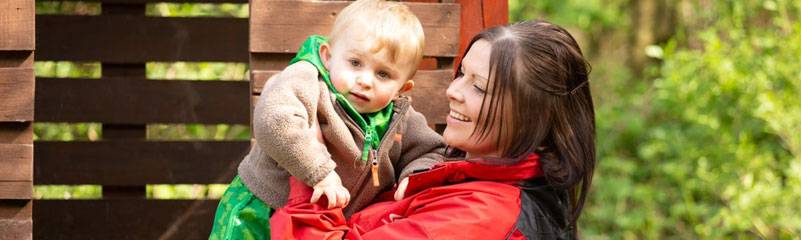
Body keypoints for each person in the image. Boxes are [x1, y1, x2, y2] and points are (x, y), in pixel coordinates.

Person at [270, 19, 596, 239]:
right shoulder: (470, 175)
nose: (453, 92)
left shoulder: (481, 219)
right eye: (461, 74)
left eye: (479, 88)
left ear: (533, 116)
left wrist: (308, 172)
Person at [209, 0, 445, 238]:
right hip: (263, 209)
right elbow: (275, 120)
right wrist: (320, 172)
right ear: (328, 56)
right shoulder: (307, 80)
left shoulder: (400, 118)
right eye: (355, 63)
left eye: (383, 74)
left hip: (326, 227)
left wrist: (415, 177)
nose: (365, 80)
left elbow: (431, 151)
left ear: (401, 88)